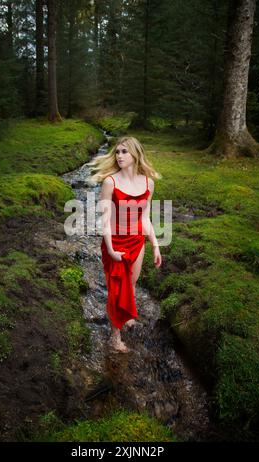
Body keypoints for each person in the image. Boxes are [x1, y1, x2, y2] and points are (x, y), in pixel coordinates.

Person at [87, 136, 162, 353]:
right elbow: (105, 220)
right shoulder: (110, 182)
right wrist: (111, 250)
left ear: (135, 154)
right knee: (116, 288)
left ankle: (126, 316)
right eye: (117, 152)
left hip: (137, 240)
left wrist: (155, 245)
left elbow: (145, 217)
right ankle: (114, 337)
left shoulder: (149, 183)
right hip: (115, 241)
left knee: (131, 282)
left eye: (124, 152)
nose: (119, 156)